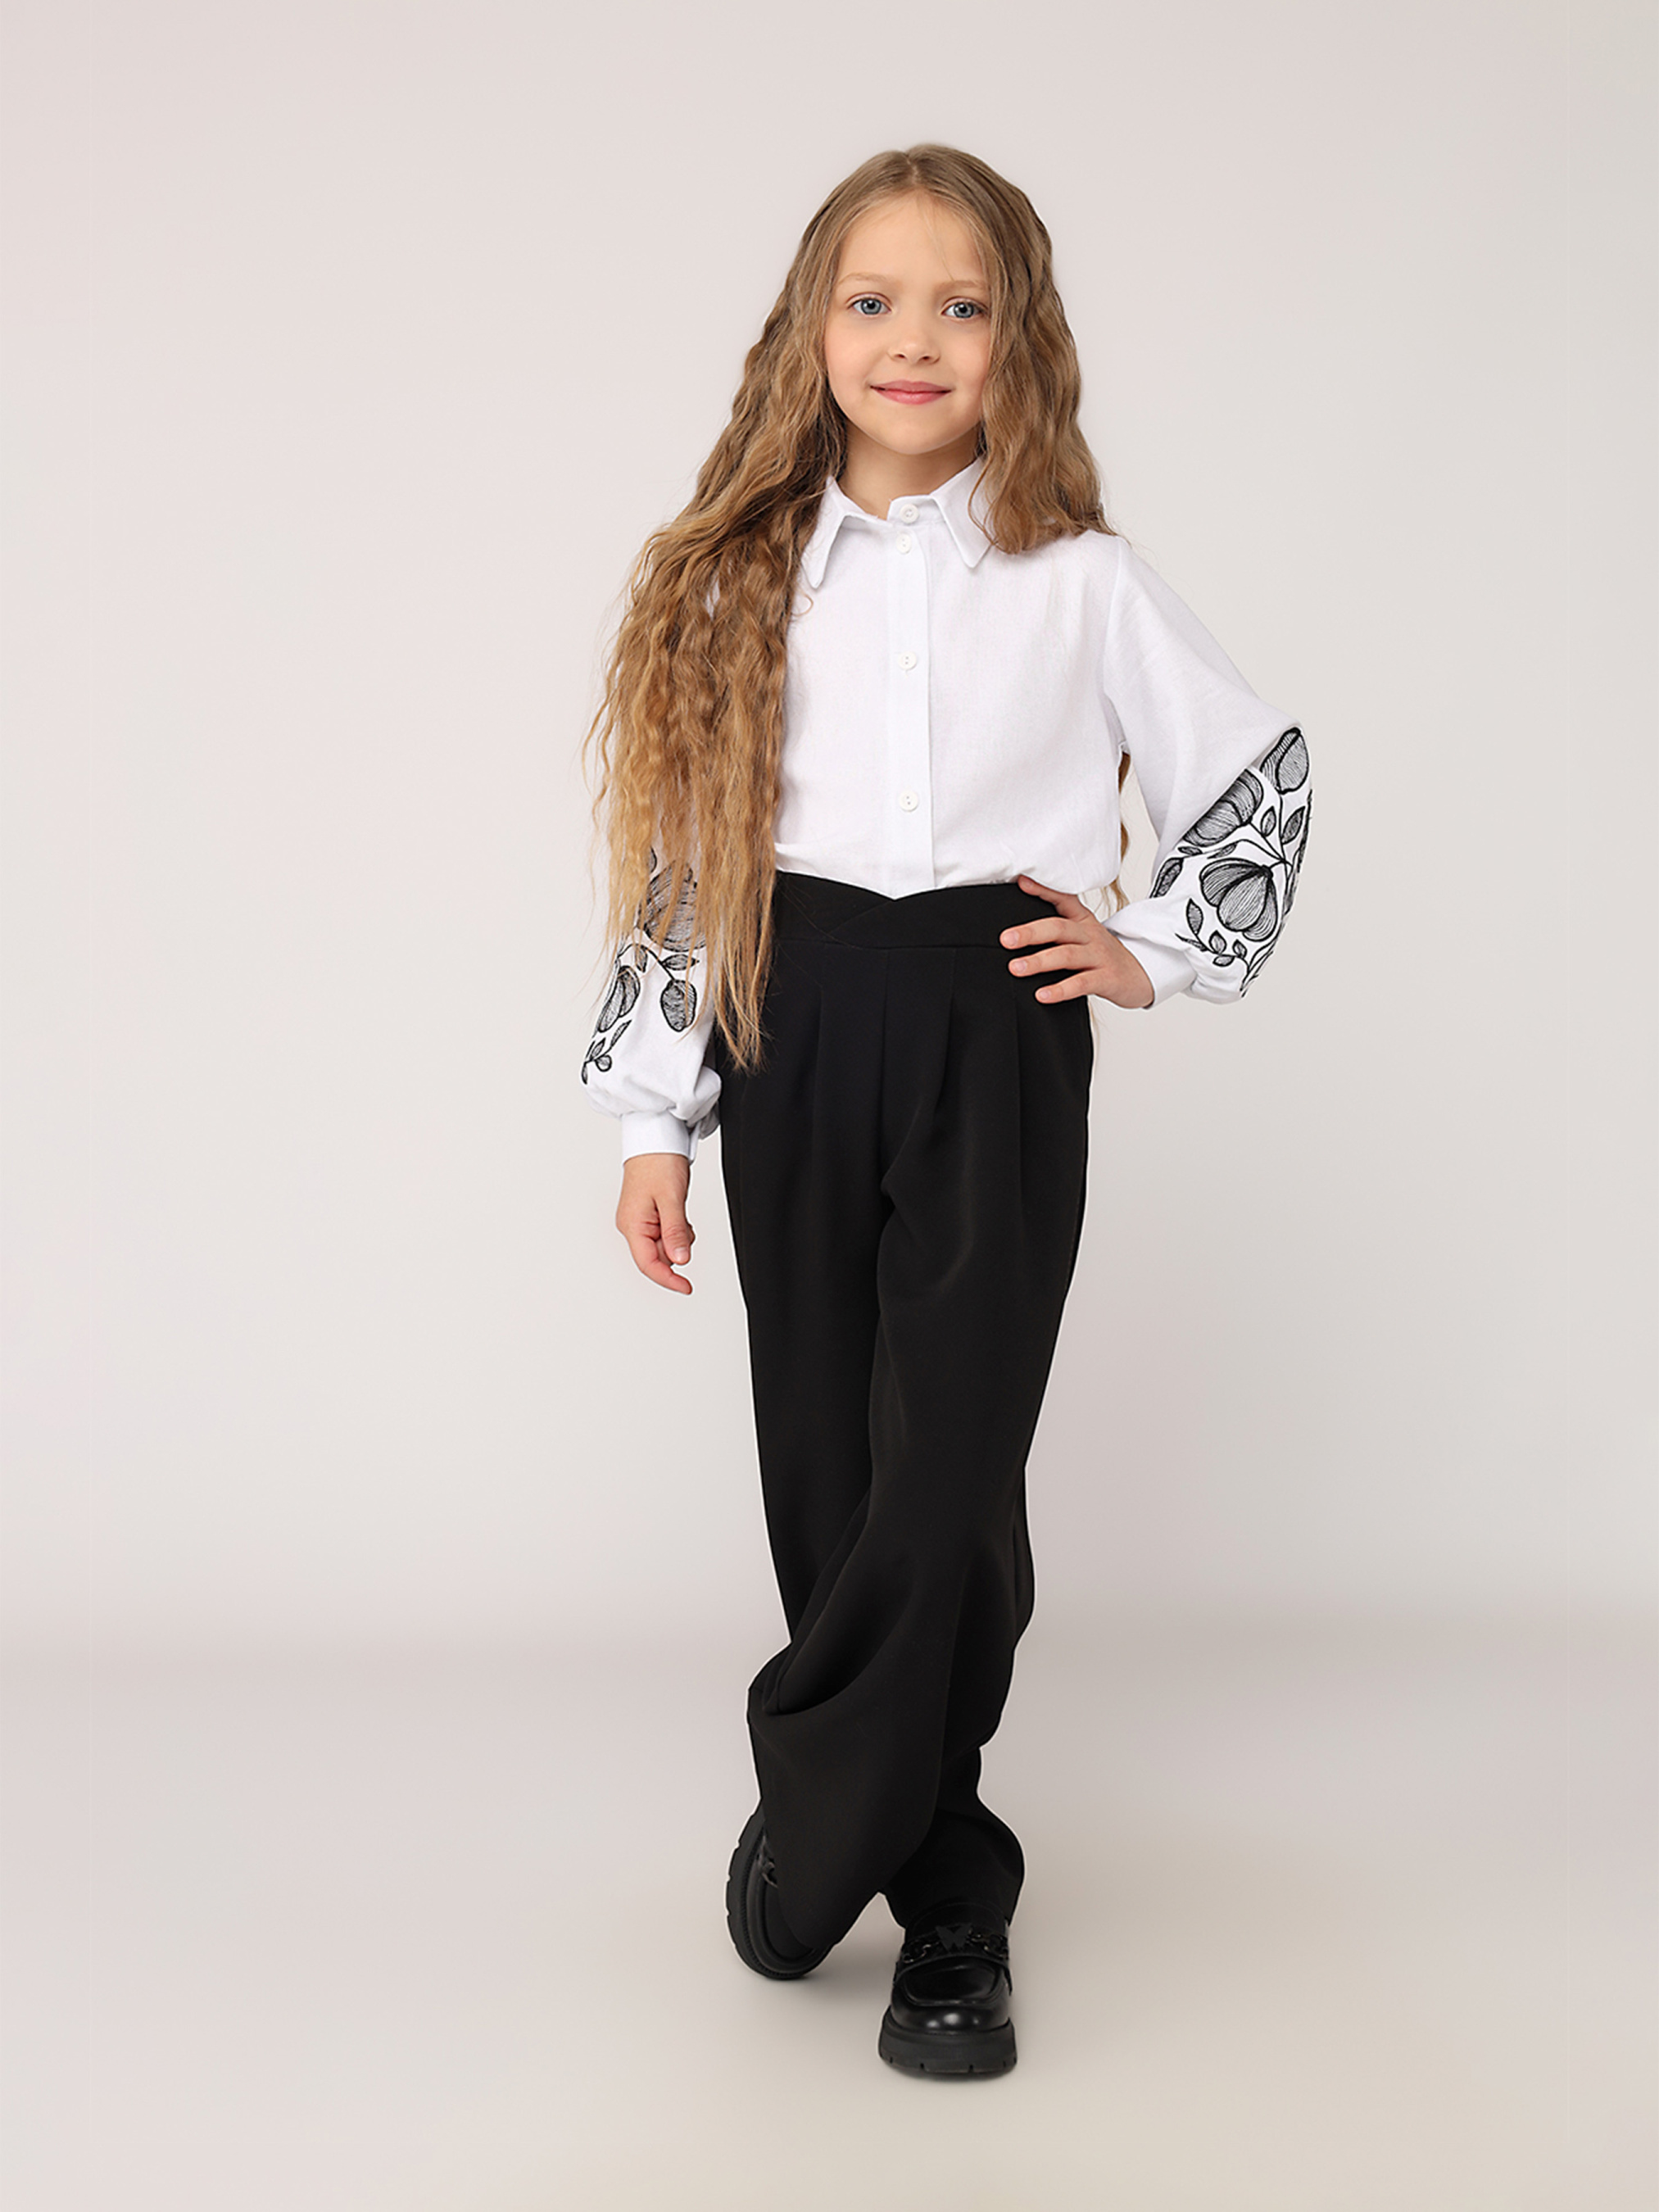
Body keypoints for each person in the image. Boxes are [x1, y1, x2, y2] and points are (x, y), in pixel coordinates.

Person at [578, 143, 1312, 2077]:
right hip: (789, 1013)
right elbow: (682, 865)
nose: (915, 339)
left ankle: (876, 1856)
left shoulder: (1079, 580)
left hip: (994, 1025)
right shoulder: (735, 579)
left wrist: (1156, 945)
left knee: (949, 1473)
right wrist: (653, 1121)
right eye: (874, 301)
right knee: (826, 1458)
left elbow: (1255, 771)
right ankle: (927, 1868)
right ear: (809, 332)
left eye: (961, 305)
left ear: (1019, 341)